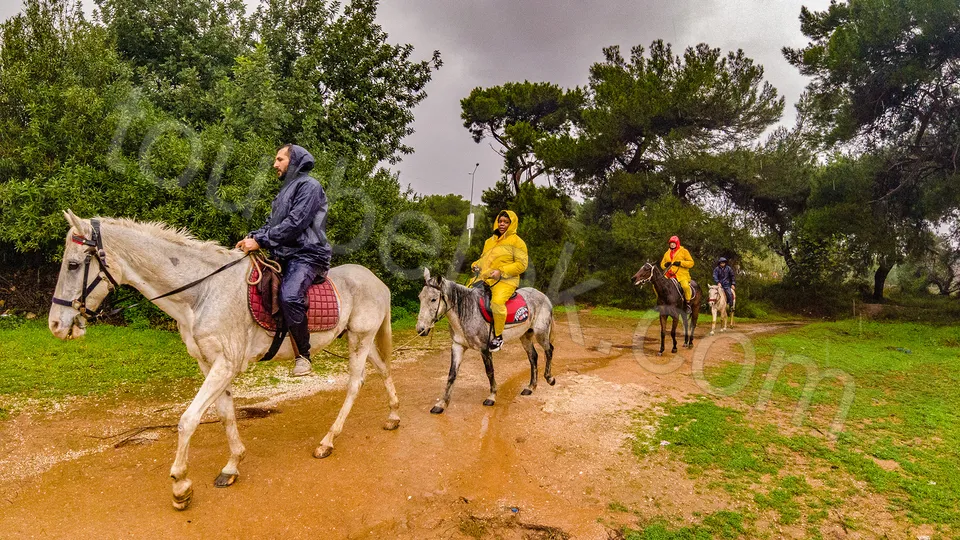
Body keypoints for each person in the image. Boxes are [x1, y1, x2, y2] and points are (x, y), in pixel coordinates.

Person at [236, 144, 332, 377]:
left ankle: (303, 356)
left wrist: (261, 241)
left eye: (280, 159)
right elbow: (271, 225)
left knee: (289, 296)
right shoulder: (284, 192)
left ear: (295, 160)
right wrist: (253, 236)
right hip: (284, 254)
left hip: (308, 255)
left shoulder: (310, 186)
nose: (275, 164)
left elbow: (296, 223)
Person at [469, 210, 528, 352]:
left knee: (496, 303)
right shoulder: (489, 242)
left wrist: (501, 272)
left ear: (512, 224)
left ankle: (498, 336)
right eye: (500, 221)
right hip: (486, 278)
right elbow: (484, 260)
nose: (502, 224)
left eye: (506, 222)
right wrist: (476, 265)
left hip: (506, 281)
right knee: (466, 294)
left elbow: (522, 265)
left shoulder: (518, 242)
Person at [659, 235, 695, 313]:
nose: (672, 245)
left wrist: (681, 263)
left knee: (685, 286)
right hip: (668, 275)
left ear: (677, 243)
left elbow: (691, 263)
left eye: (673, 243)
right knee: (659, 285)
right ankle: (660, 301)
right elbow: (662, 264)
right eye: (671, 243)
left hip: (681, 275)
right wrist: (665, 265)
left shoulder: (684, 251)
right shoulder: (666, 253)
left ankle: (688, 303)